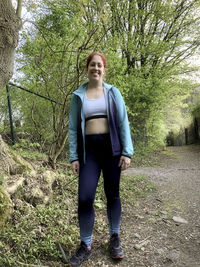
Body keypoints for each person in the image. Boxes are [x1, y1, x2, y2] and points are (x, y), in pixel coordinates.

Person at [68, 52, 133, 267]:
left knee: (112, 194)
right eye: (92, 65)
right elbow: (73, 128)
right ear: (86, 69)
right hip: (89, 154)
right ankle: (85, 245)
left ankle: (114, 238)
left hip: (112, 149)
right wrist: (74, 156)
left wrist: (127, 151)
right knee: (85, 197)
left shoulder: (113, 93)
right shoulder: (78, 95)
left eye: (99, 65)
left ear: (104, 70)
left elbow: (123, 122)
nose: (96, 68)